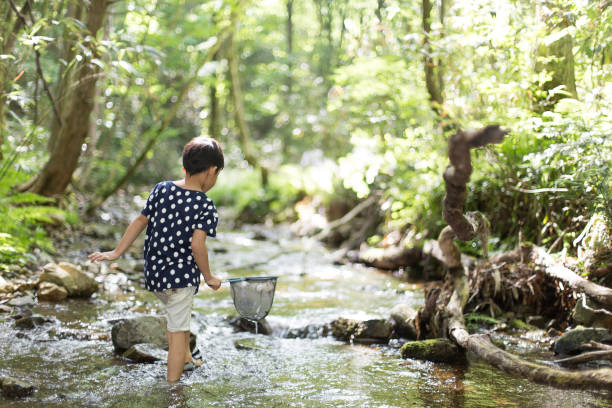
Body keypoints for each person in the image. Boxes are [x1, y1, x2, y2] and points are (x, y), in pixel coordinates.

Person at [89, 136, 224, 383]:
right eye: (217, 175)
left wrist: (117, 252)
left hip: (155, 275)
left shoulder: (162, 189)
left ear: (185, 167)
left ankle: (186, 358)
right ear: (212, 171)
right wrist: (209, 277)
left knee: (178, 320)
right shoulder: (205, 204)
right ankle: (173, 388)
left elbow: (140, 221)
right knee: (177, 329)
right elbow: (197, 245)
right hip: (181, 279)